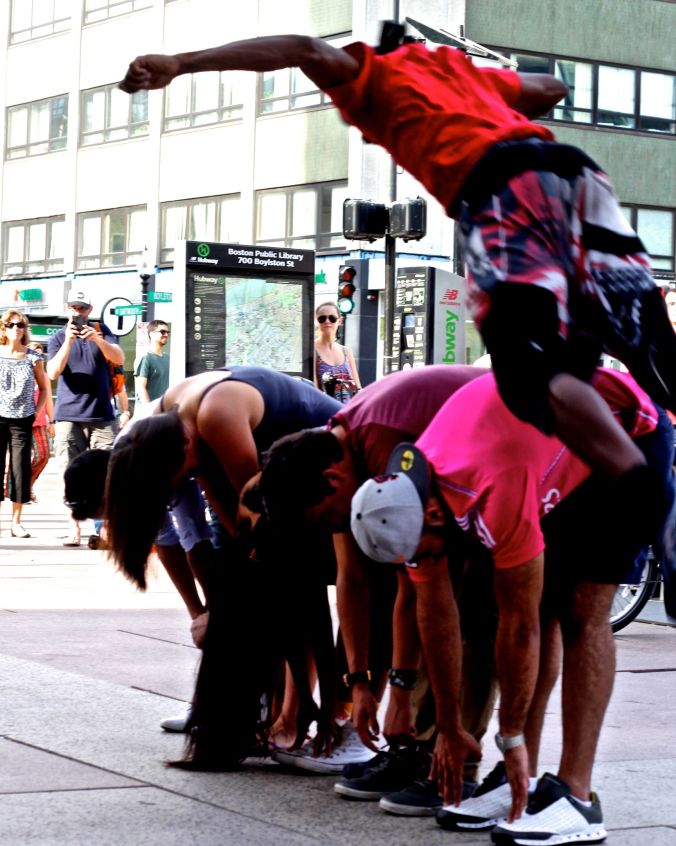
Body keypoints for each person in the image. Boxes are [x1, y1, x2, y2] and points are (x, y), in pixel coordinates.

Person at [119, 28, 676, 538]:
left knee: (531, 373)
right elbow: (550, 88)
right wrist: (482, 91)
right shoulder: (463, 77)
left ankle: (642, 490)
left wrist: (181, 62)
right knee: (639, 335)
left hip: (499, 188)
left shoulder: (374, 77)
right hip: (575, 174)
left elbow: (303, 49)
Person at [349, 369, 674, 844]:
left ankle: (577, 799)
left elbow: (519, 628)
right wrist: (450, 726)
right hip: (550, 444)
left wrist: (511, 735)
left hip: (625, 436)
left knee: (581, 610)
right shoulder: (412, 493)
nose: (426, 564)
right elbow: (436, 614)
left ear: (433, 515)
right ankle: (522, 778)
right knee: (542, 607)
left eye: (427, 553)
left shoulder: (495, 486)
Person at [258, 365, 491, 813]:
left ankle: (451, 766)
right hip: (470, 488)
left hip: (530, 471)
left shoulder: (385, 450)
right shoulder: (337, 451)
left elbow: (416, 586)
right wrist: (360, 684)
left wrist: (398, 693)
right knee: (436, 610)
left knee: (471, 617)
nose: (336, 527)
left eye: (330, 519)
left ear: (333, 482)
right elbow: (353, 580)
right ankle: (419, 751)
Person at [102, 365, 353, 770]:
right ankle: (274, 714)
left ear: (186, 445)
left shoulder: (215, 414)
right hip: (277, 475)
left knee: (300, 586)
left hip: (327, 464)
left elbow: (264, 513)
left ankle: (313, 718)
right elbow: (235, 522)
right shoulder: (168, 426)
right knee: (258, 582)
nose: (185, 482)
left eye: (183, 475)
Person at [47, 290, 124, 548]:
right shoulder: (58, 337)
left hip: (101, 414)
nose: (77, 313)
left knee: (109, 474)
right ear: (66, 308)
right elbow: (53, 373)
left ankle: (105, 531)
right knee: (69, 475)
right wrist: (69, 342)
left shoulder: (102, 331)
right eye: (74, 308)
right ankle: (74, 529)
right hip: (68, 416)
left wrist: (98, 341)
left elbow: (119, 358)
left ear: (90, 309)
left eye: (82, 308)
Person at [0, 311, 48, 537]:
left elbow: (45, 388)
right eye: (11, 325)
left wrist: (36, 412)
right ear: (3, 328)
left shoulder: (33, 357)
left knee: (20, 469)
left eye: (20, 325)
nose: (16, 328)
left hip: (22, 419)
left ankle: (16, 522)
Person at [314, 303, 361, 404]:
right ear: (316, 321)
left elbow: (358, 388)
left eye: (332, 318)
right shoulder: (312, 350)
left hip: (348, 410)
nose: (327, 321)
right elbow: (313, 391)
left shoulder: (346, 351)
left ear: (339, 321)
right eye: (322, 318)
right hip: (325, 410)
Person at [135, 320, 171, 404]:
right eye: (162, 332)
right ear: (151, 334)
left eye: (167, 332)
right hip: (148, 410)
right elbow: (141, 387)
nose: (166, 335)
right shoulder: (145, 357)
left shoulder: (167, 357)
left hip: (162, 409)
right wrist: (149, 409)